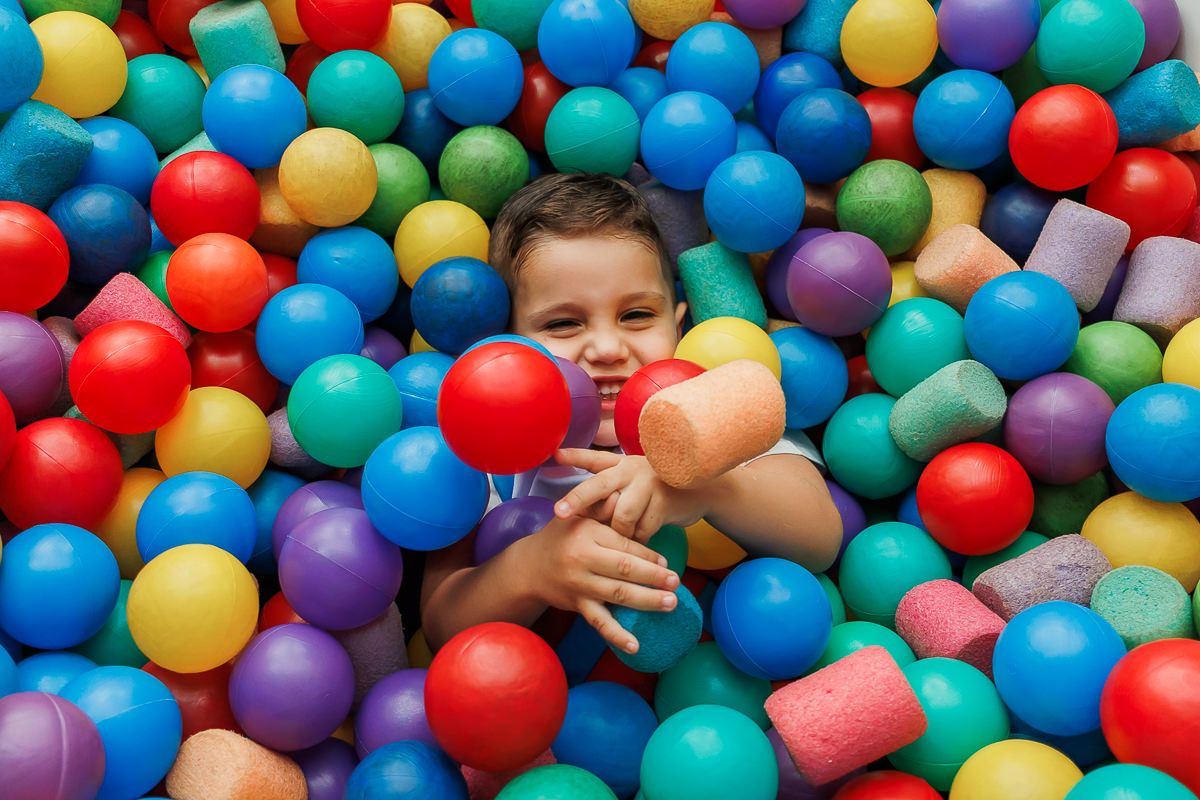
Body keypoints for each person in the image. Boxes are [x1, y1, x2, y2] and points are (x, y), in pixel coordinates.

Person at [421, 173, 842, 654]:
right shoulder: (490, 456)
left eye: (637, 315)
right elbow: (439, 623)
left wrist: (702, 487)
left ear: (678, 324)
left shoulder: (714, 410)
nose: (606, 348)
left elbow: (822, 536)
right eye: (563, 323)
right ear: (508, 344)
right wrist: (529, 570)